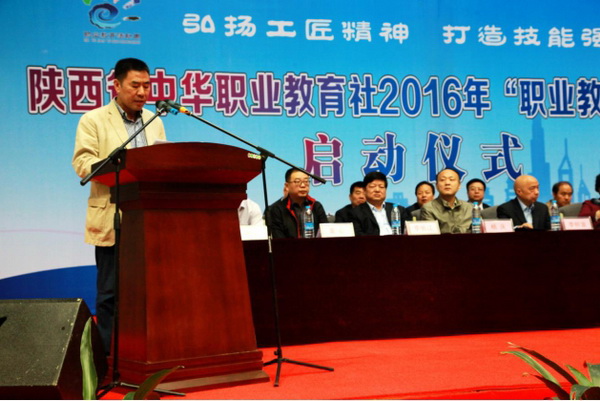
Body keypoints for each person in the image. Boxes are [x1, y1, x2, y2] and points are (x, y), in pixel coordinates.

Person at [72, 58, 166, 354]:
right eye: (135, 85)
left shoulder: (154, 120)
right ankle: (108, 359)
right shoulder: (94, 120)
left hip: (149, 220)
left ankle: (146, 355)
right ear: (116, 85)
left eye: (146, 86)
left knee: (150, 293)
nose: (142, 92)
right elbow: (83, 163)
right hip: (113, 218)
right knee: (110, 295)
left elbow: (161, 162)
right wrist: (122, 165)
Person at [266, 168, 328, 238]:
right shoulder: (276, 209)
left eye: (306, 181)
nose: (303, 185)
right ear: (287, 186)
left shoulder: (316, 206)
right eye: (297, 181)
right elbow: (278, 239)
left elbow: (326, 234)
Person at [349, 171, 404, 236]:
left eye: (381, 187)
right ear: (365, 190)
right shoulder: (355, 213)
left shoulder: (399, 210)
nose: (377, 190)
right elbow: (358, 237)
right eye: (372, 186)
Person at [420, 169, 473, 234]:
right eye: (442, 180)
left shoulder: (470, 208)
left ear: (459, 186)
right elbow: (431, 236)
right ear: (436, 186)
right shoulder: (428, 208)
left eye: (452, 179)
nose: (447, 183)